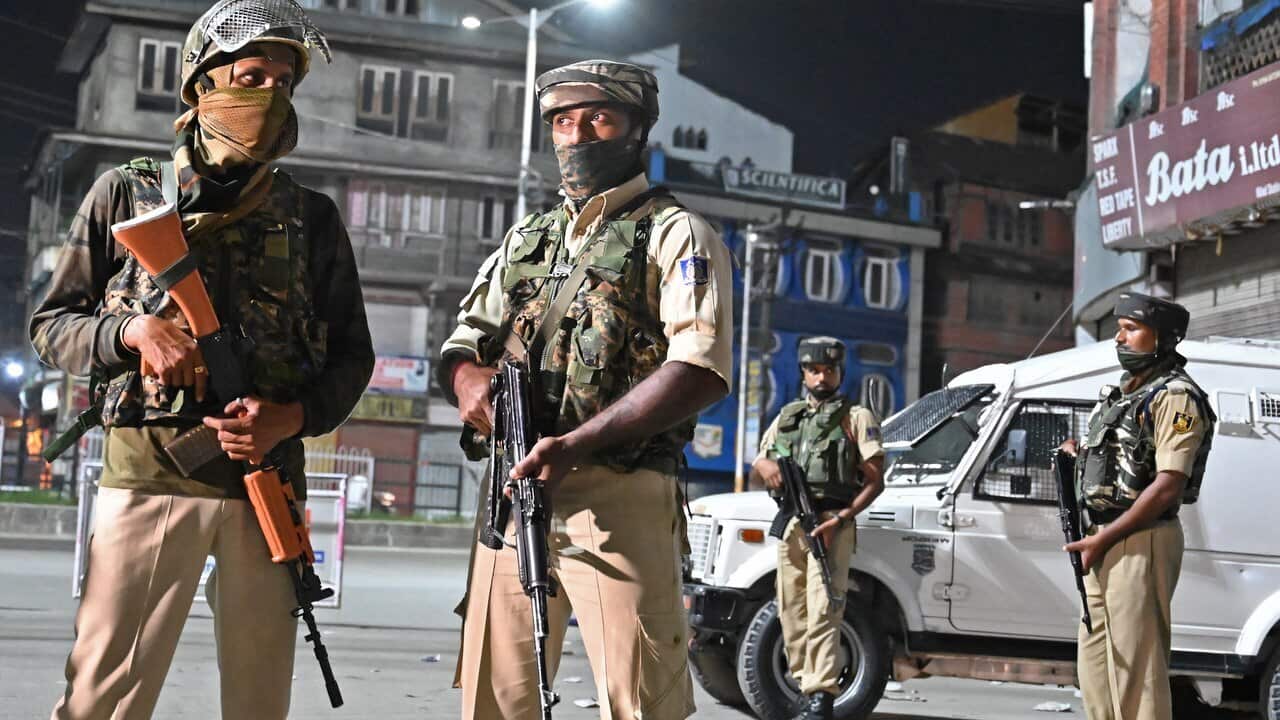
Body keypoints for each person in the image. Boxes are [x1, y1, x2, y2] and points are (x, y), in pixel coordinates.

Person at [29, 1, 374, 717]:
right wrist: (132, 332)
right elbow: (52, 325)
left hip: (266, 482)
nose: (270, 95)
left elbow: (352, 356)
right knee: (106, 691)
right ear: (202, 83)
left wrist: (291, 418)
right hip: (152, 472)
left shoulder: (311, 216)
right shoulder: (126, 194)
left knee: (259, 696)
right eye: (252, 77)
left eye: (284, 83)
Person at [438, 59, 733, 720]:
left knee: (639, 701)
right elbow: (464, 339)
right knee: (496, 699)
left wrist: (574, 444)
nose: (578, 136)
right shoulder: (529, 238)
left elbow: (699, 368)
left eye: (600, 119)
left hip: (617, 495)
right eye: (563, 122)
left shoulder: (675, 233)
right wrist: (468, 382)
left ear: (638, 129)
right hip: (513, 491)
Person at [1061, 292, 1214, 720]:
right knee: (1096, 668)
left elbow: (1168, 486)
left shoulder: (1176, 398)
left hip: (1139, 538)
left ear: (1162, 338)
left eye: (1131, 329)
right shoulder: (1127, 393)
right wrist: (1079, 457)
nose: (1119, 338)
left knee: (1136, 668)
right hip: (1104, 536)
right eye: (1119, 328)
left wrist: (1106, 537)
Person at [750, 336, 885, 720]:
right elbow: (759, 464)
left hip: (831, 523)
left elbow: (875, 481)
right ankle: (802, 686)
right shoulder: (788, 416)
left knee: (824, 607)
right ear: (804, 374)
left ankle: (820, 695)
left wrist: (839, 519)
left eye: (829, 370)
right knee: (790, 608)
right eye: (814, 370)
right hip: (792, 522)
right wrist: (764, 466)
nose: (822, 377)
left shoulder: (855, 418)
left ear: (840, 373)